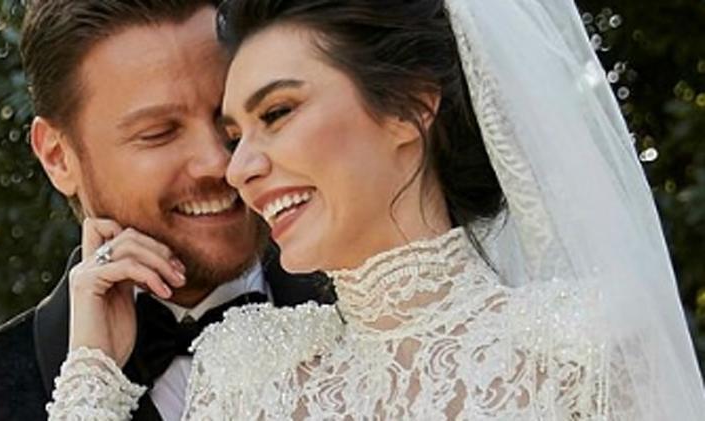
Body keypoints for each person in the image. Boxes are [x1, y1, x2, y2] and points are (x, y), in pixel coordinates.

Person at [48, 0, 705, 419]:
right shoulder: (246, 371)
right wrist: (92, 375)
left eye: (277, 113)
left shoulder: (585, 354)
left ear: (410, 107)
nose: (237, 167)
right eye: (236, 132)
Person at [0, 1, 329, 420]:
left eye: (229, 117)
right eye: (159, 133)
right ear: (59, 157)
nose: (219, 162)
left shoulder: (370, 317)